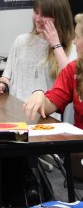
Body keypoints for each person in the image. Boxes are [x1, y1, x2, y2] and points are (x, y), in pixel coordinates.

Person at [24, 12, 83, 181]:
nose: (73, 42)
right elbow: (52, 101)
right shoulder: (74, 70)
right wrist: (39, 94)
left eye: (77, 37)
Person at [0, 0, 77, 108]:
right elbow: (7, 76)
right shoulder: (21, 41)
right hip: (15, 109)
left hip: (45, 113)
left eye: (45, 15)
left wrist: (55, 44)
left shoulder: (72, 47)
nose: (38, 19)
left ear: (59, 18)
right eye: (36, 13)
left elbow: (71, 82)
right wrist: (1, 84)